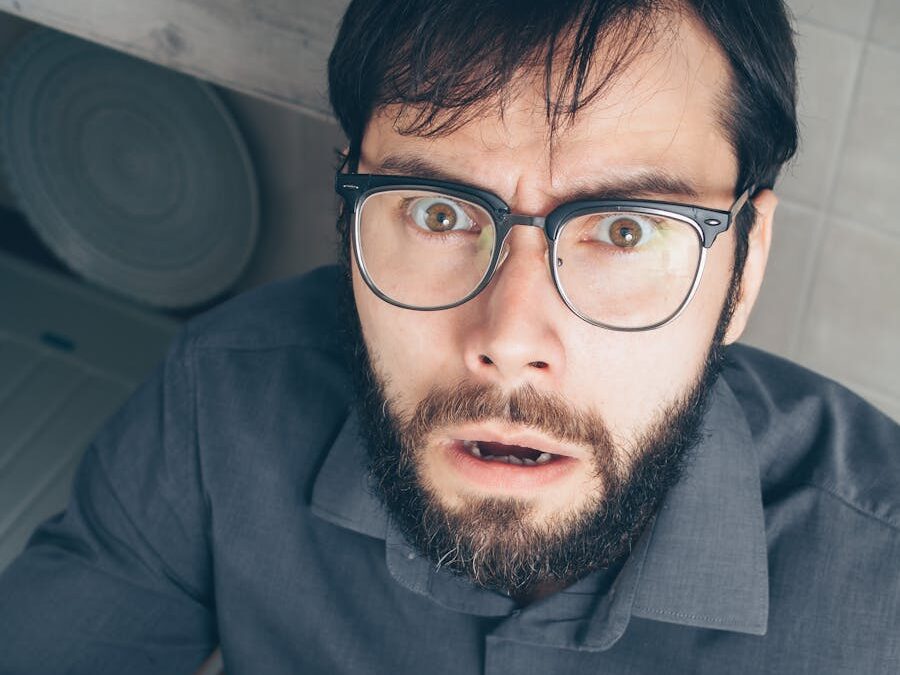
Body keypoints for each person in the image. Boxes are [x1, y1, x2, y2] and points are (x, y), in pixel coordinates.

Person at [1, 0, 898, 673]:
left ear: (746, 264)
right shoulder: (219, 402)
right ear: (348, 208)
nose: (509, 337)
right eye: (436, 211)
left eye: (625, 230)